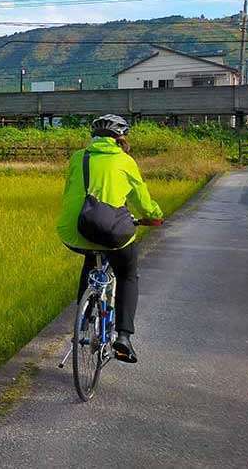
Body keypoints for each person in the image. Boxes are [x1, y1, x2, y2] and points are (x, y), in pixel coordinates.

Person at [56, 114, 163, 363]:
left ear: (93, 137)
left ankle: (82, 323)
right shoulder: (125, 161)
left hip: (74, 230)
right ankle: (124, 338)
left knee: (91, 255)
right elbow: (141, 199)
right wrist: (155, 216)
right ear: (121, 137)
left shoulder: (77, 157)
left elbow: (69, 192)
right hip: (112, 231)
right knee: (127, 274)